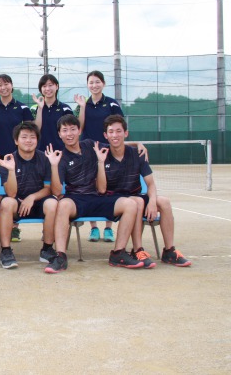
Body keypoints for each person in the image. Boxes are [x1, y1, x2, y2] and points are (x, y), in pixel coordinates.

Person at [43, 114, 143, 274]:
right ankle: (60, 256)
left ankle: (118, 253)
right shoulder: (60, 157)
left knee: (130, 204)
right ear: (59, 134)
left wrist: (137, 144)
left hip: (99, 197)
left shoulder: (90, 145)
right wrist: (53, 166)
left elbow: (115, 144)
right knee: (63, 204)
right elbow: (55, 191)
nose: (69, 134)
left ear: (79, 130)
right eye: (65, 130)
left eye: (73, 129)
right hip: (76, 199)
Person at [102, 115, 191, 267]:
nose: (115, 135)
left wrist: (152, 202)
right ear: (105, 135)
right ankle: (138, 250)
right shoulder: (102, 154)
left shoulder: (138, 154)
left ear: (126, 133)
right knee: (136, 202)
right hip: (114, 199)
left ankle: (169, 251)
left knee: (164, 202)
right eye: (111, 132)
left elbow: (150, 184)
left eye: (119, 131)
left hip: (135, 195)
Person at [0, 122, 58, 269]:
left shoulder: (44, 159)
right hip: (17, 204)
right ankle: (6, 251)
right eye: (24, 137)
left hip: (38, 203)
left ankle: (47, 249)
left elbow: (48, 189)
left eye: (32, 137)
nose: (28, 140)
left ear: (37, 140)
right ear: (16, 140)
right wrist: (11, 170)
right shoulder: (8, 160)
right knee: (6, 203)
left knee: (53, 203)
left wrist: (32, 197)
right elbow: (11, 193)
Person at [0, 73, 34, 243]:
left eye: (6, 84)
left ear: (11, 85)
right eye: (0, 85)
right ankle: (3, 226)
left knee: (17, 190)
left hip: (19, 157)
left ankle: (15, 227)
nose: (3, 88)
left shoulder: (22, 108)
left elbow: (31, 131)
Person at [76, 70, 125, 242]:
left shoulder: (112, 104)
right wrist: (82, 107)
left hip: (107, 151)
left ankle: (109, 228)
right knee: (90, 188)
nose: (94, 85)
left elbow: (119, 127)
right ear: (87, 85)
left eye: (97, 82)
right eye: (91, 82)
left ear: (103, 84)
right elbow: (79, 128)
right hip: (88, 152)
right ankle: (94, 228)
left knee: (109, 187)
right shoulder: (83, 104)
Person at [31, 74, 76, 152]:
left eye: (50, 85)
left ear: (57, 86)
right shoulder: (34, 108)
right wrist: (40, 108)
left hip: (61, 151)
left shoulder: (65, 108)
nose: (47, 89)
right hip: (39, 152)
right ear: (40, 89)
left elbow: (70, 130)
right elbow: (35, 129)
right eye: (44, 86)